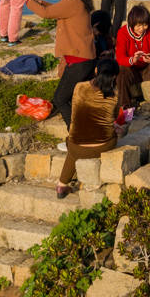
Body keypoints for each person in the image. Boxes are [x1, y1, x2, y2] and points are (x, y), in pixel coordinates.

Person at [24, 0, 96, 128]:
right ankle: (82, 130)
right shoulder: (77, 0)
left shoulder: (72, 2)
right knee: (70, 98)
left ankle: (75, 134)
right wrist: (38, 1)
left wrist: (28, 1)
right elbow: (56, 10)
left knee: (60, 99)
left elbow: (47, 14)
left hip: (79, 61)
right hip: (81, 60)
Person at [56, 59, 121, 198]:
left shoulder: (79, 87)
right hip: (102, 146)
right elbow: (114, 117)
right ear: (115, 76)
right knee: (115, 134)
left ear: (96, 71)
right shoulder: (115, 93)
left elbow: (75, 112)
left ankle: (62, 185)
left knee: (73, 146)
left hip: (76, 146)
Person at [115, 5, 150, 111]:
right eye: (138, 25)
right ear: (131, 23)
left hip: (148, 68)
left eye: (145, 25)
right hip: (132, 70)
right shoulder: (123, 32)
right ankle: (125, 106)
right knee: (122, 70)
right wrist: (133, 59)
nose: (142, 28)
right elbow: (120, 58)